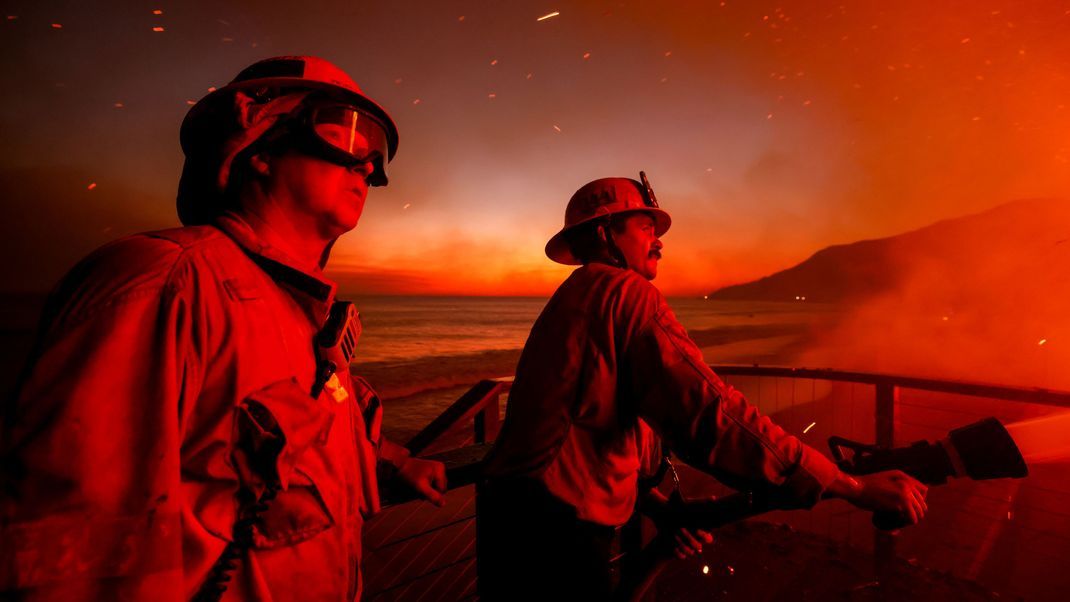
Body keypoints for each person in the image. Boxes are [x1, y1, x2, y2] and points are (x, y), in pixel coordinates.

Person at [0, 55, 446, 601]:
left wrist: (396, 463)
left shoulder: (295, 307)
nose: (367, 166)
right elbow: (78, 548)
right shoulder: (164, 282)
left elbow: (304, 427)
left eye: (374, 150)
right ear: (258, 146)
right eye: (346, 134)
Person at [477, 174, 928, 600]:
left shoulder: (577, 299)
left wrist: (659, 507)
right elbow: (709, 416)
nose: (659, 241)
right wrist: (851, 486)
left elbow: (584, 427)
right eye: (645, 225)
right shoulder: (626, 293)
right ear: (604, 235)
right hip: (556, 532)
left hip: (513, 518)